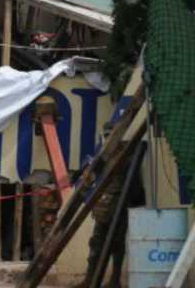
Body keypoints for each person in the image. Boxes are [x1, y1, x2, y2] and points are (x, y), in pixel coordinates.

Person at [76, 121, 145, 288]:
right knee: (96, 244)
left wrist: (134, 202)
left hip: (119, 205)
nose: (108, 139)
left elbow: (134, 185)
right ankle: (91, 279)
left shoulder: (126, 156)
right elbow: (89, 179)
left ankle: (114, 281)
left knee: (116, 244)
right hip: (104, 205)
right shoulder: (103, 156)